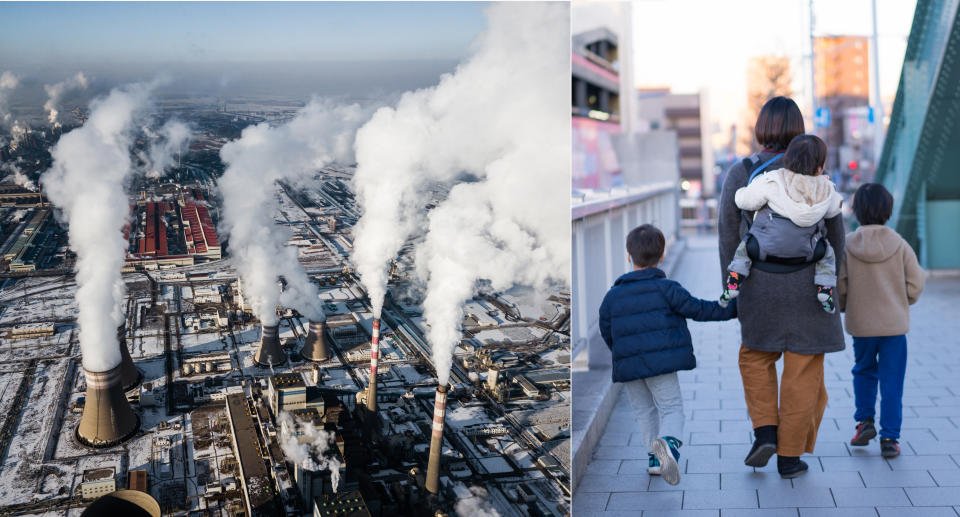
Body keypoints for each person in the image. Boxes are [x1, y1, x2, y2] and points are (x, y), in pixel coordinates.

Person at [717, 96, 846, 479]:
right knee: (803, 371)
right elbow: (838, 236)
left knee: (755, 358)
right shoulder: (818, 175)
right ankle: (790, 456)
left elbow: (728, 234)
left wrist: (731, 287)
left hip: (760, 285)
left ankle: (765, 433)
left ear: (761, 128)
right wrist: (832, 286)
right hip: (809, 287)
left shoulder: (743, 172)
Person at [599, 224, 737, 485]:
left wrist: (623, 354)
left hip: (629, 366)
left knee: (644, 412)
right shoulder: (668, 288)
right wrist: (733, 308)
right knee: (671, 408)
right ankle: (668, 444)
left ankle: (654, 460)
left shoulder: (612, 296)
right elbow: (699, 309)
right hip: (661, 365)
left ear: (629, 256)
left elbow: (607, 330)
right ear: (662, 256)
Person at [837, 183, 925, 458]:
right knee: (892, 380)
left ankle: (864, 422)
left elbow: (839, 285)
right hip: (894, 325)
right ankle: (890, 438)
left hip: (861, 325)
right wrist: (904, 300)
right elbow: (916, 282)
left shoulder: (848, 245)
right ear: (888, 210)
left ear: (856, 211)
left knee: (863, 370)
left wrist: (845, 306)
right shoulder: (899, 244)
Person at [719, 134, 843, 313]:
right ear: (820, 167)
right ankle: (824, 289)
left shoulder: (773, 180)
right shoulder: (825, 188)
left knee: (744, 248)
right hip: (809, 250)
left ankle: (734, 281)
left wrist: (740, 193)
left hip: (764, 246)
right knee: (828, 255)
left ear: (788, 160)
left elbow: (745, 201)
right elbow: (834, 210)